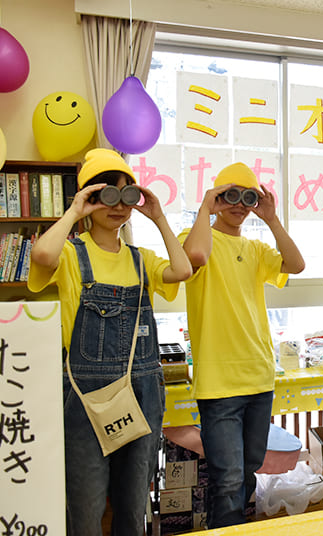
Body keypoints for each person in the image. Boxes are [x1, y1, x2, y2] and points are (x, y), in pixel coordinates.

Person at [28, 148, 192, 535]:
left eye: (127, 195)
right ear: (89, 198)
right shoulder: (71, 254)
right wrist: (73, 212)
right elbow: (42, 253)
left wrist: (158, 216)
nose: (118, 206)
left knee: (133, 507)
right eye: (106, 195)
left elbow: (182, 268)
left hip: (142, 393)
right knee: (84, 507)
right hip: (87, 396)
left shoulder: (141, 258)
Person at [179, 162, 304, 528]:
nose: (239, 204)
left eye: (247, 197)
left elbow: (295, 264)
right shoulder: (198, 236)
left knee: (247, 473)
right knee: (227, 479)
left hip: (258, 377)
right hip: (219, 383)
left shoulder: (256, 248)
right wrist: (206, 209)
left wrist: (271, 219)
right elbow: (195, 257)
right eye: (229, 195)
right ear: (217, 198)